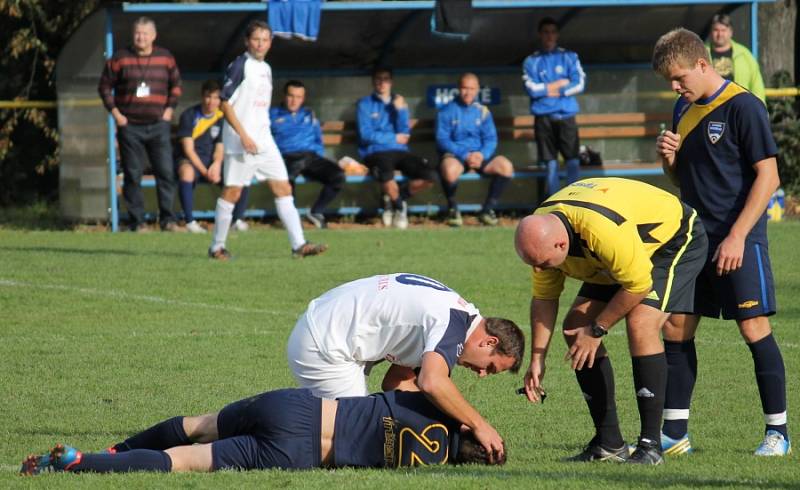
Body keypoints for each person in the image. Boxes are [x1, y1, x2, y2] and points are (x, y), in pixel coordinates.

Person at [653, 28, 790, 456]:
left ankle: (778, 434)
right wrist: (669, 161)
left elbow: (769, 177)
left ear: (701, 64)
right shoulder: (683, 108)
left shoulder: (744, 107)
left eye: (679, 79)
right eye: (670, 83)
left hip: (739, 239)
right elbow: (684, 180)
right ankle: (675, 435)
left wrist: (737, 236)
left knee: (753, 329)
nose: (675, 88)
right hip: (693, 239)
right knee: (676, 327)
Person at [514, 177, 708, 465]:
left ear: (560, 243)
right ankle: (610, 444)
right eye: (534, 264)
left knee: (641, 324)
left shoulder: (600, 231)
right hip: (619, 253)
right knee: (573, 327)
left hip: (673, 239)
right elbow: (544, 299)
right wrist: (537, 358)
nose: (539, 269)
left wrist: (597, 329)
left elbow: (638, 285)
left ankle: (650, 446)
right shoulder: (542, 235)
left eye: (543, 263)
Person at [286, 272, 525, 462]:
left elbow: (397, 382)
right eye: (491, 367)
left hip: (324, 324)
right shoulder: (453, 326)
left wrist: (456, 419)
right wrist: (479, 425)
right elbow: (431, 382)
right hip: (324, 342)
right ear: (489, 342)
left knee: (341, 425)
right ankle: (257, 448)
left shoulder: (459, 315)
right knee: (350, 437)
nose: (482, 374)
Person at [20, 388, 504, 475]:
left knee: (196, 427)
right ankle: (83, 462)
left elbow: (400, 382)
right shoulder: (431, 462)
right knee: (184, 462)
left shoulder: (435, 406)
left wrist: (475, 418)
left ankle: (117, 449)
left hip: (300, 408)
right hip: (301, 453)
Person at [208, 20, 326, 260]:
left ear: (270, 42)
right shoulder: (240, 65)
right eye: (256, 39)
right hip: (242, 142)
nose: (260, 44)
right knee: (232, 192)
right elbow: (224, 103)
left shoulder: (266, 68)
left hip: (265, 141)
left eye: (265, 39)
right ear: (247, 41)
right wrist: (243, 135)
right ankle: (216, 247)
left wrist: (260, 136)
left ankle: (299, 245)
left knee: (282, 187)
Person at [98, 16, 181, 232]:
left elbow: (176, 85)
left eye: (145, 33)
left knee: (165, 172)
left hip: (158, 125)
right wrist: (116, 114)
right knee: (132, 175)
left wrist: (169, 110)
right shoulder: (120, 58)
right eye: (137, 33)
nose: (140, 37)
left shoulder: (165, 57)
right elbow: (104, 86)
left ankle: (168, 220)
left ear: (153, 36)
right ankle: (137, 222)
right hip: (130, 126)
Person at [356, 68, 437, 229]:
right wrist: (392, 138)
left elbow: (404, 133)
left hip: (400, 151)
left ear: (391, 82)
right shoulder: (364, 104)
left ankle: (392, 200)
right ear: (373, 82)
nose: (382, 82)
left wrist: (401, 110)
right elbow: (365, 135)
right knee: (386, 174)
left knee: (430, 176)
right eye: (378, 79)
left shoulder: (399, 102)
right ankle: (400, 208)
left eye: (386, 79)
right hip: (375, 152)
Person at [436, 73, 514, 227]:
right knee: (449, 170)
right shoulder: (446, 110)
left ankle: (487, 210)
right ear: (458, 88)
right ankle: (453, 209)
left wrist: (481, 154)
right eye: (465, 88)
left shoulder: (483, 111)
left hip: (479, 155)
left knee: (506, 167)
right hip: (457, 155)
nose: (468, 92)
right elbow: (442, 140)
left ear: (477, 89)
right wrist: (464, 155)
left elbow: (491, 139)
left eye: (472, 88)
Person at [174, 80, 250, 234]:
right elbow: (188, 150)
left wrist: (216, 165)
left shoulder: (222, 117)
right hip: (192, 160)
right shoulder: (189, 115)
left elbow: (219, 146)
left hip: (212, 161)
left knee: (243, 173)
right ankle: (190, 221)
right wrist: (204, 171)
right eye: (208, 97)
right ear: (202, 97)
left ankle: (237, 220)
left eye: (216, 98)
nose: (212, 102)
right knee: (186, 172)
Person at [522, 17, 586, 197]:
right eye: (545, 32)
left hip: (566, 117)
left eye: (552, 32)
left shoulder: (569, 57)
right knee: (550, 163)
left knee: (572, 161)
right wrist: (560, 83)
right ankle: (554, 205)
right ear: (540, 35)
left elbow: (579, 83)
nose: (549, 36)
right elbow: (531, 89)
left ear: (557, 35)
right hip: (543, 119)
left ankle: (574, 201)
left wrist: (551, 90)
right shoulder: (531, 61)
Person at [270, 80, 346, 229]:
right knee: (287, 180)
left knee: (338, 176)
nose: (294, 100)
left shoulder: (309, 114)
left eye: (298, 97)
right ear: (284, 96)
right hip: (286, 157)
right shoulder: (271, 115)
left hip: (310, 157)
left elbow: (318, 140)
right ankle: (290, 219)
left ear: (303, 98)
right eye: (291, 96)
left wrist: (319, 155)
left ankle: (316, 212)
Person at [706, 13, 766, 103]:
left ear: (731, 32)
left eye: (723, 30)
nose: (720, 34)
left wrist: (761, 110)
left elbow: (757, 86)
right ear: (711, 32)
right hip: (709, 109)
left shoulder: (744, 55)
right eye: (716, 30)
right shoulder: (700, 54)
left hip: (740, 108)